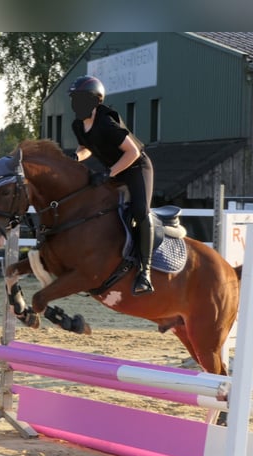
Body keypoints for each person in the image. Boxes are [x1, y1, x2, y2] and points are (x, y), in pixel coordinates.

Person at [68, 75, 155, 296]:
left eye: (79, 99)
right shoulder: (78, 124)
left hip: (136, 167)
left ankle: (145, 272)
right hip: (115, 169)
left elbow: (132, 152)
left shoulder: (106, 122)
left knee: (140, 212)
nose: (75, 104)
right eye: (74, 99)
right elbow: (86, 147)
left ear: (94, 101)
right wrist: (76, 158)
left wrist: (108, 173)